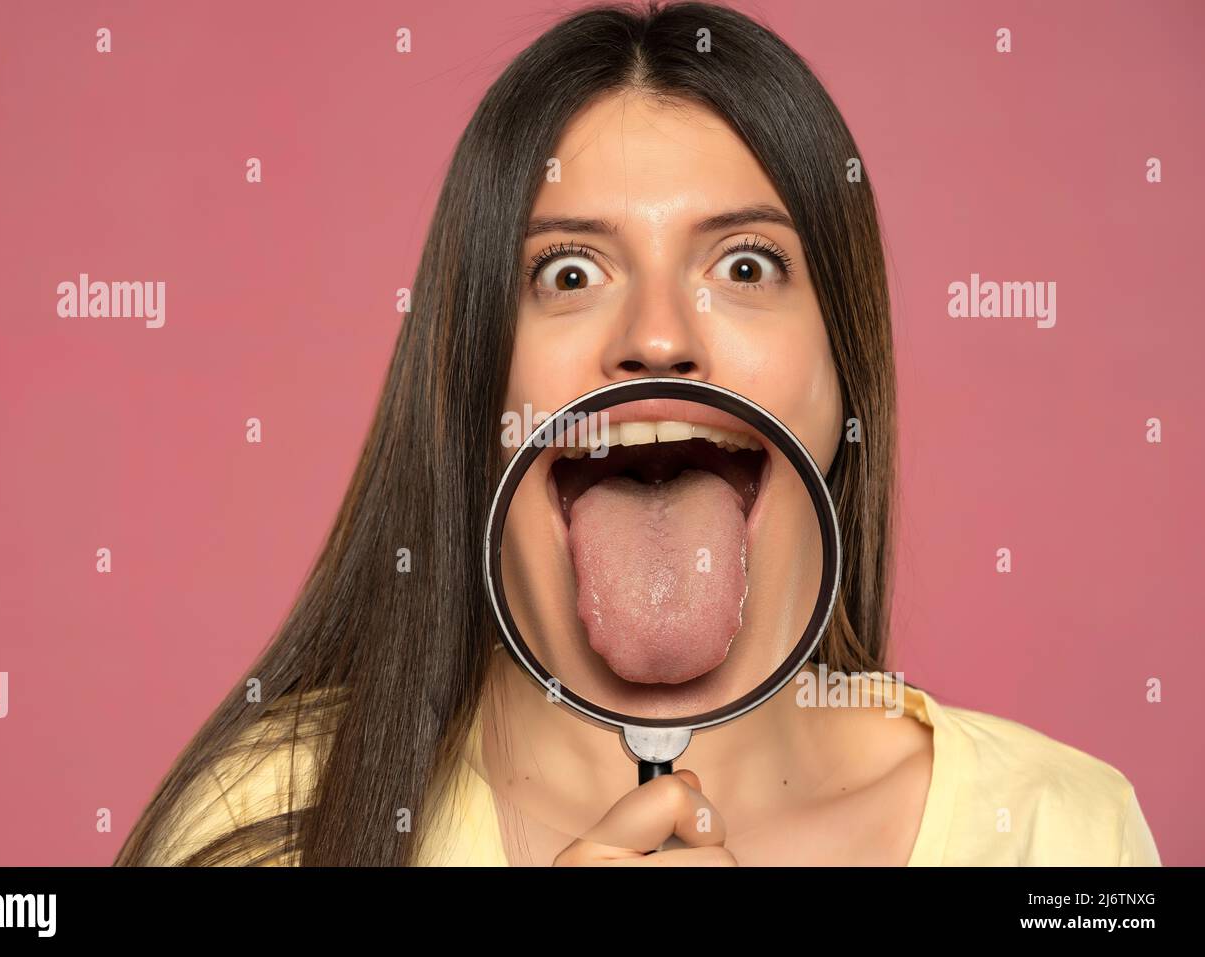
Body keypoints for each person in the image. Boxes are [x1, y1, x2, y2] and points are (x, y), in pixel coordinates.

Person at [115, 0, 1160, 867]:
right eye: (568, 272)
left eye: (745, 266)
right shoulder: (264, 827)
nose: (657, 338)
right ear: (476, 387)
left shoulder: (1061, 837)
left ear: (845, 381)